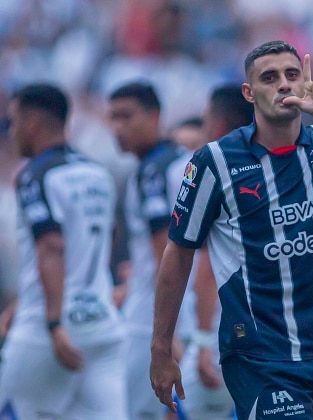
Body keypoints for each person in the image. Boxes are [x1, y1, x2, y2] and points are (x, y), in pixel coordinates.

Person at [149, 40, 313, 419]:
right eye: (269, 78)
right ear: (249, 92)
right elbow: (178, 253)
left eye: (292, 75)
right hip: (258, 356)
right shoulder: (216, 161)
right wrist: (161, 349)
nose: (284, 85)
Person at [0, 83, 127, 418]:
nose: (11, 132)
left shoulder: (35, 176)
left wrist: (55, 323)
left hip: (48, 331)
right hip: (100, 325)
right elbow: (107, 236)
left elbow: (52, 247)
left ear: (32, 124)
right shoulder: (96, 172)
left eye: (13, 122)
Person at [108, 81, 191, 419]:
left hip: (149, 324)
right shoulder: (185, 162)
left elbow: (166, 252)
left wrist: (169, 334)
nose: (118, 128)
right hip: (187, 319)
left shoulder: (152, 173)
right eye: (112, 119)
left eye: (126, 116)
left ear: (155, 116)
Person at [175, 84, 254, 419]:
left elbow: (205, 265)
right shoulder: (277, 170)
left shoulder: (212, 171)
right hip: (273, 336)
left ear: (218, 123)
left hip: (222, 336)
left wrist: (203, 340)